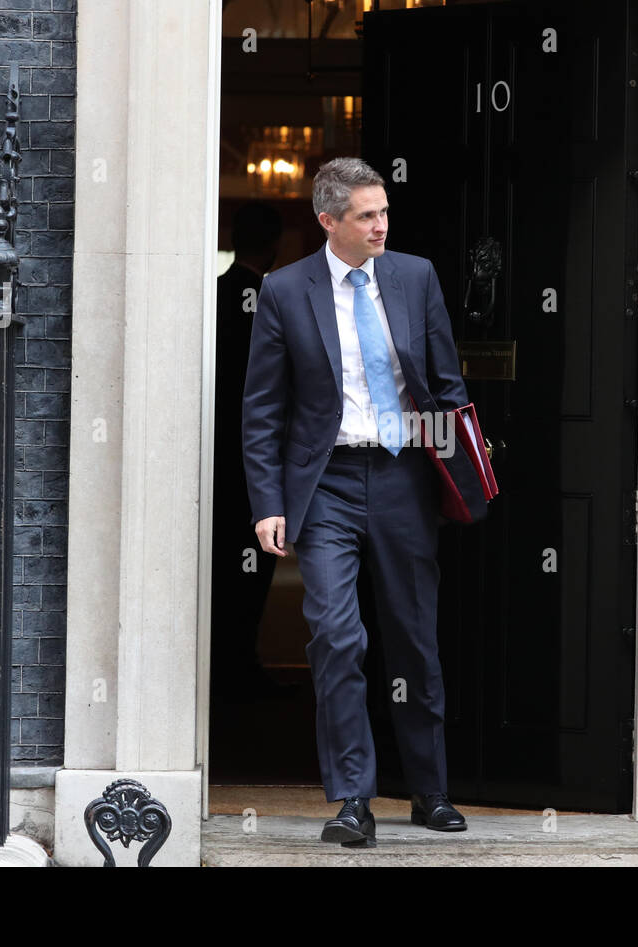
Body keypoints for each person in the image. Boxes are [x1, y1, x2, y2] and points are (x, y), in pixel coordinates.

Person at [242, 157, 469, 847]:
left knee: (413, 638)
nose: (381, 225)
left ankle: (430, 792)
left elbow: (446, 381)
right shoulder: (284, 291)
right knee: (338, 639)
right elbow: (263, 409)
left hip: (403, 477)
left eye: (385, 212)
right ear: (328, 221)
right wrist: (267, 502)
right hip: (328, 484)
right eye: (367, 215)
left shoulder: (415, 276)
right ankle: (351, 801)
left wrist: (461, 468)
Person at [211, 201, 294, 701]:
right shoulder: (265, 299)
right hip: (253, 453)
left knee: (225, 561)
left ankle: (226, 661)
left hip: (215, 447)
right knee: (252, 563)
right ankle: (240, 660)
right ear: (272, 247)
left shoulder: (212, 294)